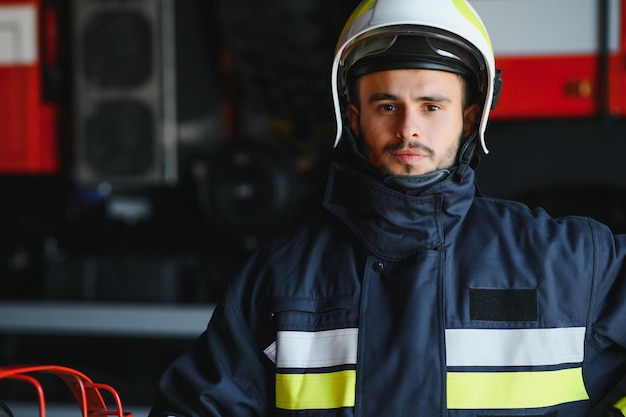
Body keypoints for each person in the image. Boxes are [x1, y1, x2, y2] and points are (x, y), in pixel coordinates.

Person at [148, 0, 626, 415]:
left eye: (431, 106)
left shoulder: (574, 261)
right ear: (352, 117)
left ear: (470, 116)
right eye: (386, 106)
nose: (408, 130)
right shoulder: (281, 277)